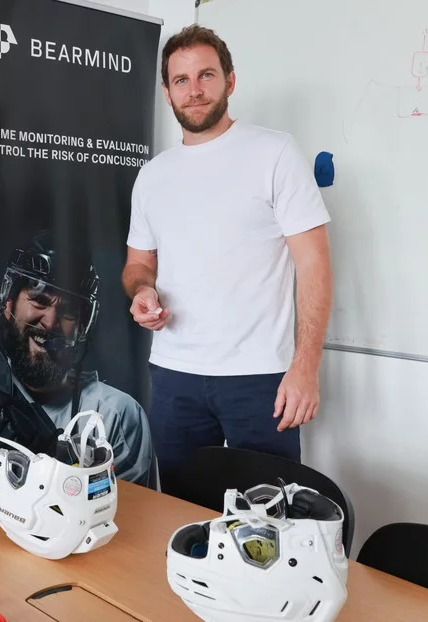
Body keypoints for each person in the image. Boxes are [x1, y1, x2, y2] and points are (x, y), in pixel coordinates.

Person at [123, 25, 333, 490]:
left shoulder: (274, 152)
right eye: (181, 80)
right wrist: (142, 290)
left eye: (206, 75)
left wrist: (305, 368)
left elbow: (314, 264)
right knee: (181, 512)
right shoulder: (153, 176)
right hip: (175, 375)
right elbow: (139, 264)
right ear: (167, 92)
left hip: (259, 378)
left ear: (230, 81)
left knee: (269, 524)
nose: (194, 90)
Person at [0, 231, 159, 489]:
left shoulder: (115, 415)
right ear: (9, 302)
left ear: (82, 326)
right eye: (39, 301)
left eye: (67, 312)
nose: (50, 322)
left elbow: (127, 520)